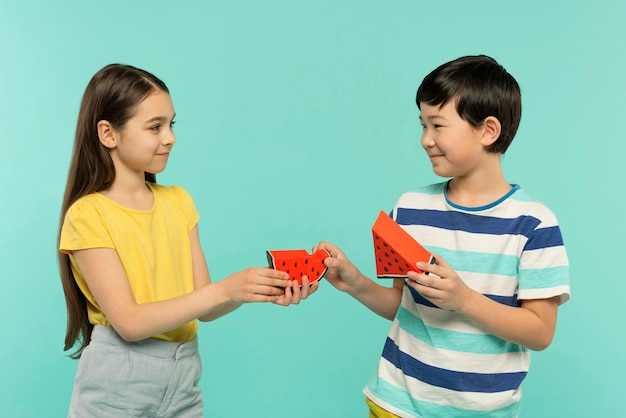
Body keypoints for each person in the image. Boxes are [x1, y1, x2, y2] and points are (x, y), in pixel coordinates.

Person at [57, 63, 317, 417]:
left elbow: (204, 308)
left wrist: (252, 289)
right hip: (117, 381)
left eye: (171, 124)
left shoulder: (178, 201)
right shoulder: (87, 215)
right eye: (154, 127)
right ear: (108, 134)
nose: (170, 137)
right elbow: (129, 323)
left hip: (183, 377)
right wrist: (225, 290)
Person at [317, 55, 570, 417]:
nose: (425, 140)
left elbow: (540, 332)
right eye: (422, 125)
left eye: (438, 125)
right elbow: (402, 307)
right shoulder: (410, 207)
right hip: (395, 403)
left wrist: (464, 299)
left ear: (488, 131)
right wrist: (355, 282)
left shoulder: (533, 224)